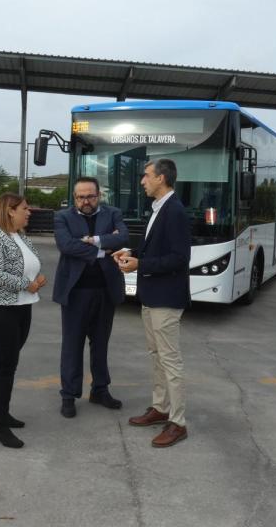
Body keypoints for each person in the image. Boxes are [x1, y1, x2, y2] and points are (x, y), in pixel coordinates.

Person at [114, 159, 191, 448]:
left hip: (167, 298)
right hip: (152, 295)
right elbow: (153, 248)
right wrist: (130, 252)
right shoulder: (159, 208)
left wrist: (140, 264)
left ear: (161, 178)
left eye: (146, 176)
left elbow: (180, 259)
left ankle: (178, 422)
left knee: (170, 359)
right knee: (156, 355)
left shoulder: (175, 212)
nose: (142, 181)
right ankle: (160, 408)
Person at [0, 193, 47, 449]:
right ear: (9, 211)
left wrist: (35, 280)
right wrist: (29, 284)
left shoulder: (19, 236)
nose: (30, 212)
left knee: (9, 363)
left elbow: (26, 265)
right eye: (25, 208)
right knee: (4, 366)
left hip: (20, 306)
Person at [53, 177, 129, 418]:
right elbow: (66, 246)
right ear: (74, 198)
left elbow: (124, 237)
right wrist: (104, 248)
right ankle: (69, 394)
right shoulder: (62, 217)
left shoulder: (113, 213)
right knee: (72, 345)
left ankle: (100, 389)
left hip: (105, 291)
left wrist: (94, 240)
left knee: (101, 344)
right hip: (75, 292)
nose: (86, 201)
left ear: (99, 195)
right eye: (81, 197)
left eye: (90, 196)